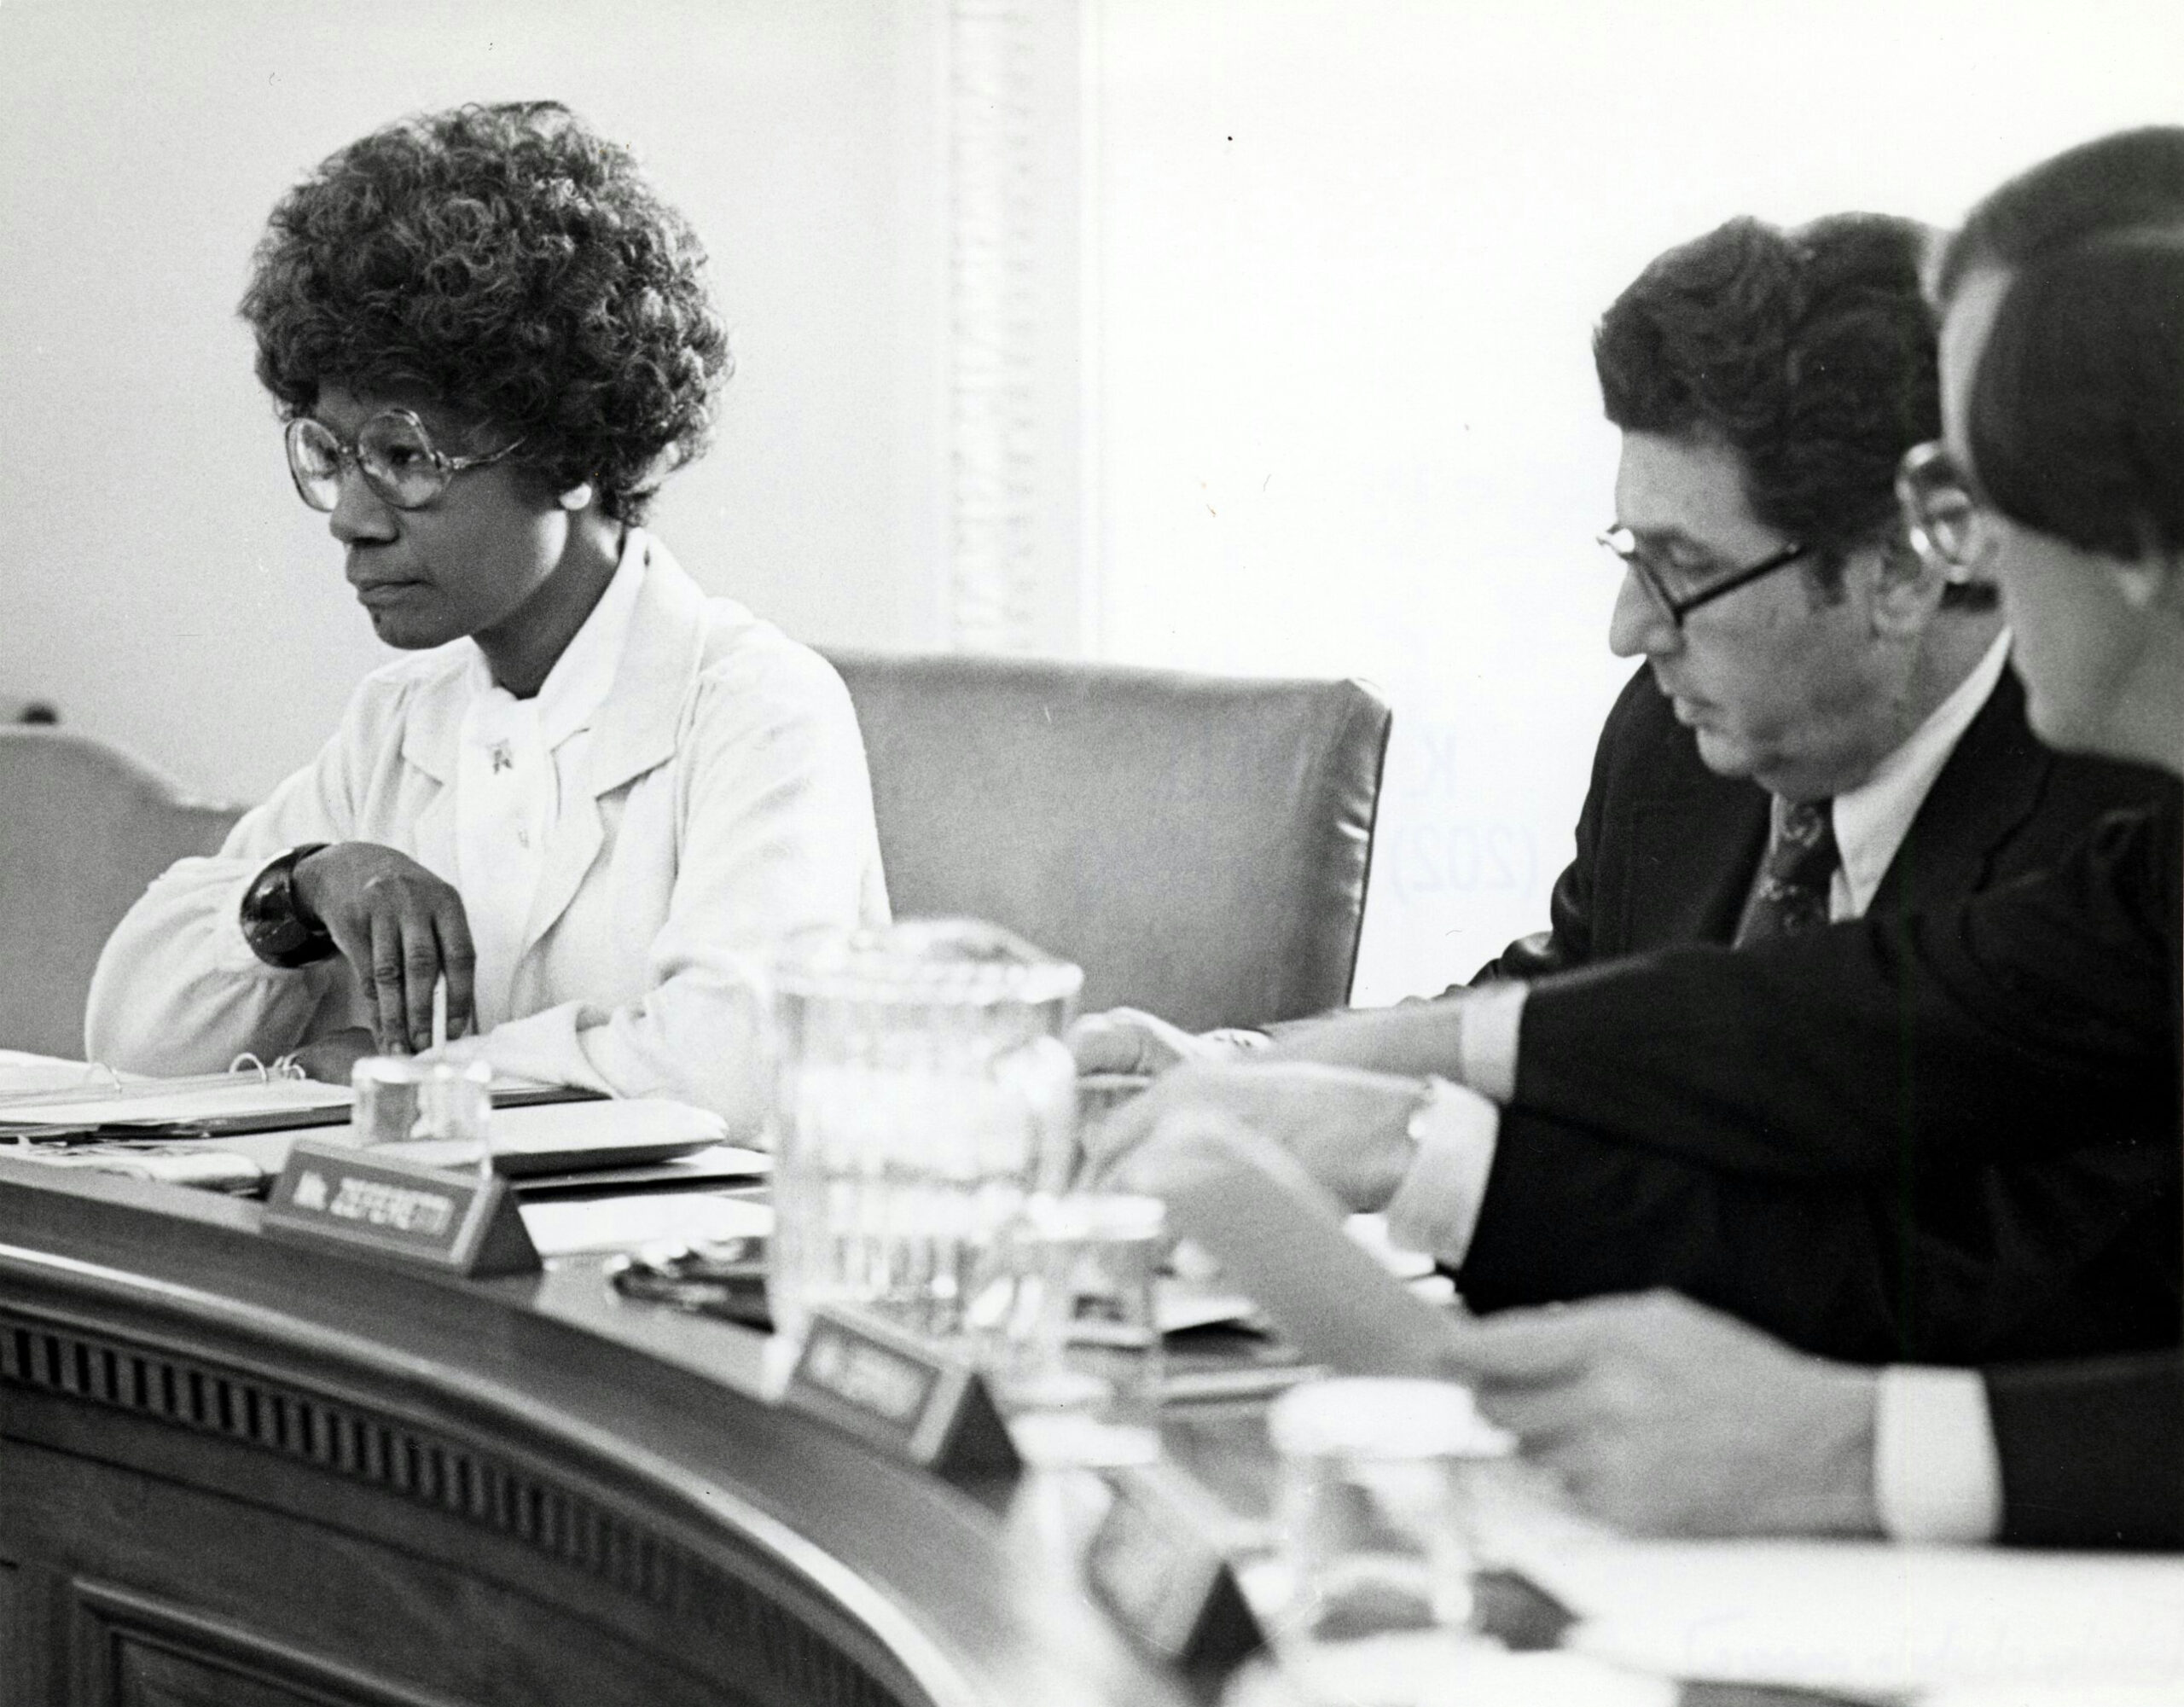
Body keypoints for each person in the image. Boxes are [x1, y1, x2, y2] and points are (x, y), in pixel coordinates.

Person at [1124, 127, 2184, 1548]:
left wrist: (1852, 1452)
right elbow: (1876, 1013)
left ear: (2125, 533)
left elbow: (2062, 1284)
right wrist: (1364, 1083)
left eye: (1969, 503)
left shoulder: (2116, 792)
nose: (1963, 566)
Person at [85, 102, 889, 1130]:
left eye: (406, 457)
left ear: (574, 458)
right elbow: (130, 1041)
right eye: (332, 455)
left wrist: (390, 1081)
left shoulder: (756, 708)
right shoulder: (400, 722)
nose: (351, 520)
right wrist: (303, 890)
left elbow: (734, 1072)